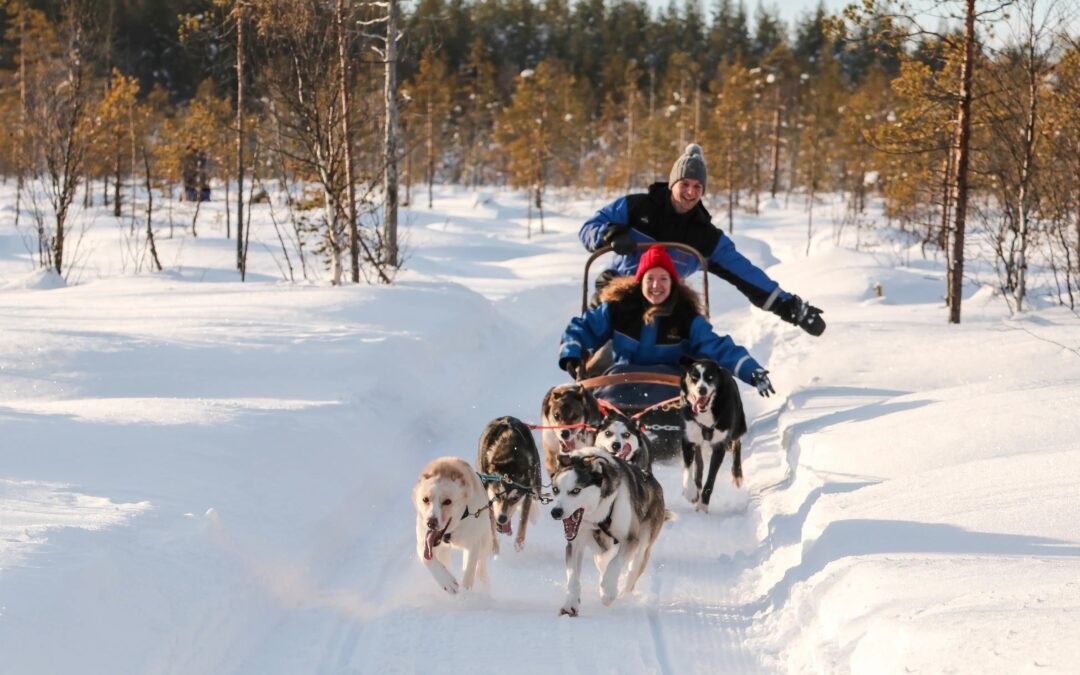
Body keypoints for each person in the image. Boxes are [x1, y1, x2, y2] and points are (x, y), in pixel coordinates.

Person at [579, 143, 826, 336]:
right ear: (673, 183)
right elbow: (589, 228)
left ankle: (685, 387)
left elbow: (747, 274)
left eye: (698, 187)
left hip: (666, 298)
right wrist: (609, 234)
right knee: (600, 322)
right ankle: (590, 375)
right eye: (685, 184)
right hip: (620, 288)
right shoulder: (637, 207)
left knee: (689, 332)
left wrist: (792, 308)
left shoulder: (704, 236)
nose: (690, 192)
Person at [559, 245, 775, 408]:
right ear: (640, 281)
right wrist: (571, 353)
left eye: (663, 278)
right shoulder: (619, 309)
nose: (656, 285)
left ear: (672, 283)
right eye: (650, 278)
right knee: (599, 399)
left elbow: (716, 348)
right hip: (621, 383)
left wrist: (751, 371)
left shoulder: (685, 316)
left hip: (669, 389)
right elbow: (583, 327)